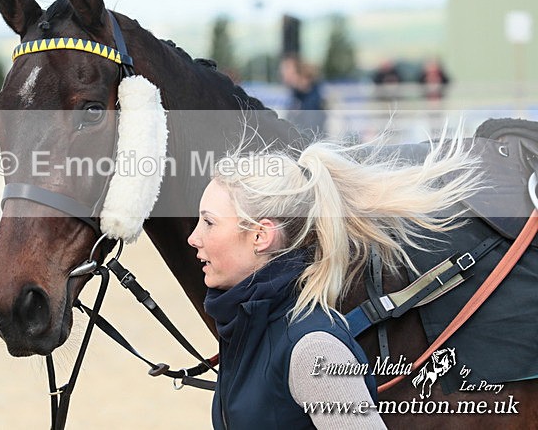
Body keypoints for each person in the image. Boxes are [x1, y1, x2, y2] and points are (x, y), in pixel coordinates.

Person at [188, 129, 481, 429]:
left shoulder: (313, 349)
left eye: (209, 222)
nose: (193, 238)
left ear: (260, 235)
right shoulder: (246, 329)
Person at [280, 55, 327, 141]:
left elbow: (312, 131)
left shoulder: (312, 99)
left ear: (297, 73)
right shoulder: (296, 95)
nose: (283, 75)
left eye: (287, 71)